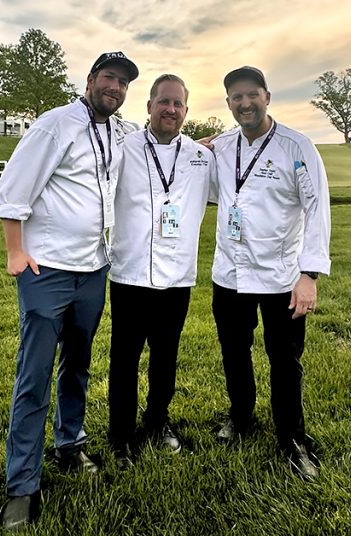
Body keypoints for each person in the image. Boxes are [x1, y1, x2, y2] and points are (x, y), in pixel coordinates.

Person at [0, 51, 140, 529]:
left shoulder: (120, 132)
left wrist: (209, 142)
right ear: (91, 79)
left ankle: (70, 444)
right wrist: (16, 253)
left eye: (123, 83)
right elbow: (13, 190)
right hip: (46, 271)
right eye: (109, 78)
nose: (115, 88)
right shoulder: (55, 125)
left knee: (77, 365)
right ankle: (22, 486)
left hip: (93, 270)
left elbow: (159, 142)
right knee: (33, 377)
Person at [210, 66, 331, 482]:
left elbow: (318, 209)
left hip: (282, 276)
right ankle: (241, 418)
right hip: (229, 273)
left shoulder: (298, 148)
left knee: (284, 360)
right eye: (236, 97)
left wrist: (309, 274)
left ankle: (292, 438)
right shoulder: (222, 147)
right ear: (228, 103)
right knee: (234, 351)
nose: (245, 103)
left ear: (267, 96)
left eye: (251, 94)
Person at [107, 74, 216, 468]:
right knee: (124, 359)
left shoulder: (202, 157)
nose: (171, 109)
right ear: (149, 106)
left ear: (187, 111)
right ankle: (120, 437)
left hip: (177, 277)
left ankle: (157, 422)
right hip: (130, 274)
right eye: (163, 102)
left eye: (178, 104)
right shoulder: (124, 147)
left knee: (165, 357)